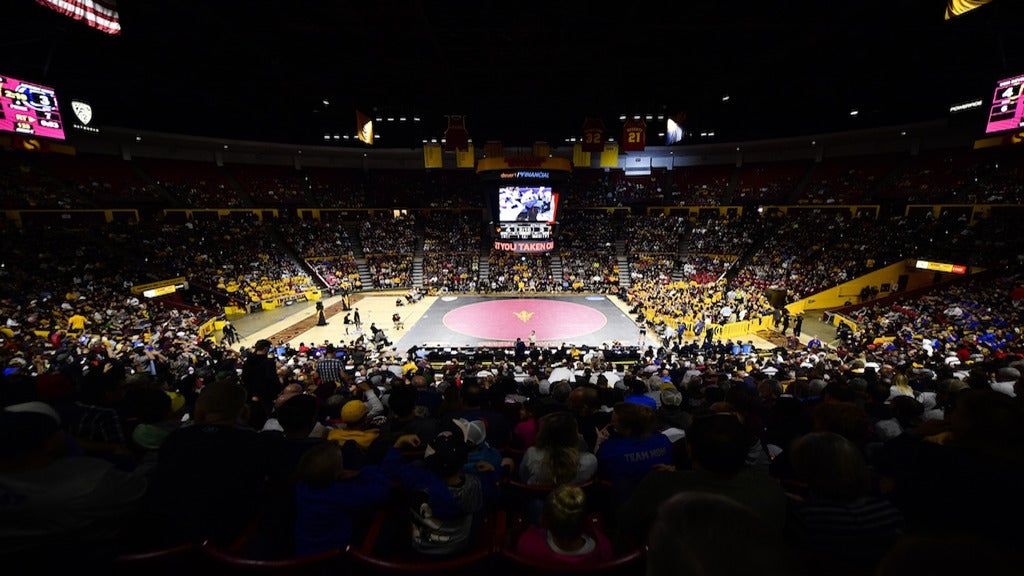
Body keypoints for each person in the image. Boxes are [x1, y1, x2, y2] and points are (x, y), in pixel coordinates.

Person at [293, 441, 390, 556]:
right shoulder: (339, 493)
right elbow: (380, 491)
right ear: (337, 474)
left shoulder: (301, 489)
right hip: (335, 555)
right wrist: (367, 471)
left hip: (303, 551)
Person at [514, 485, 614, 567]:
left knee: (535, 505)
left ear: (545, 522)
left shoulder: (527, 545)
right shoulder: (603, 548)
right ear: (585, 521)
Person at [520, 412, 598, 486]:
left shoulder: (531, 454)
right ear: (575, 436)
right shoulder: (590, 461)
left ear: (544, 434)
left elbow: (523, 478)